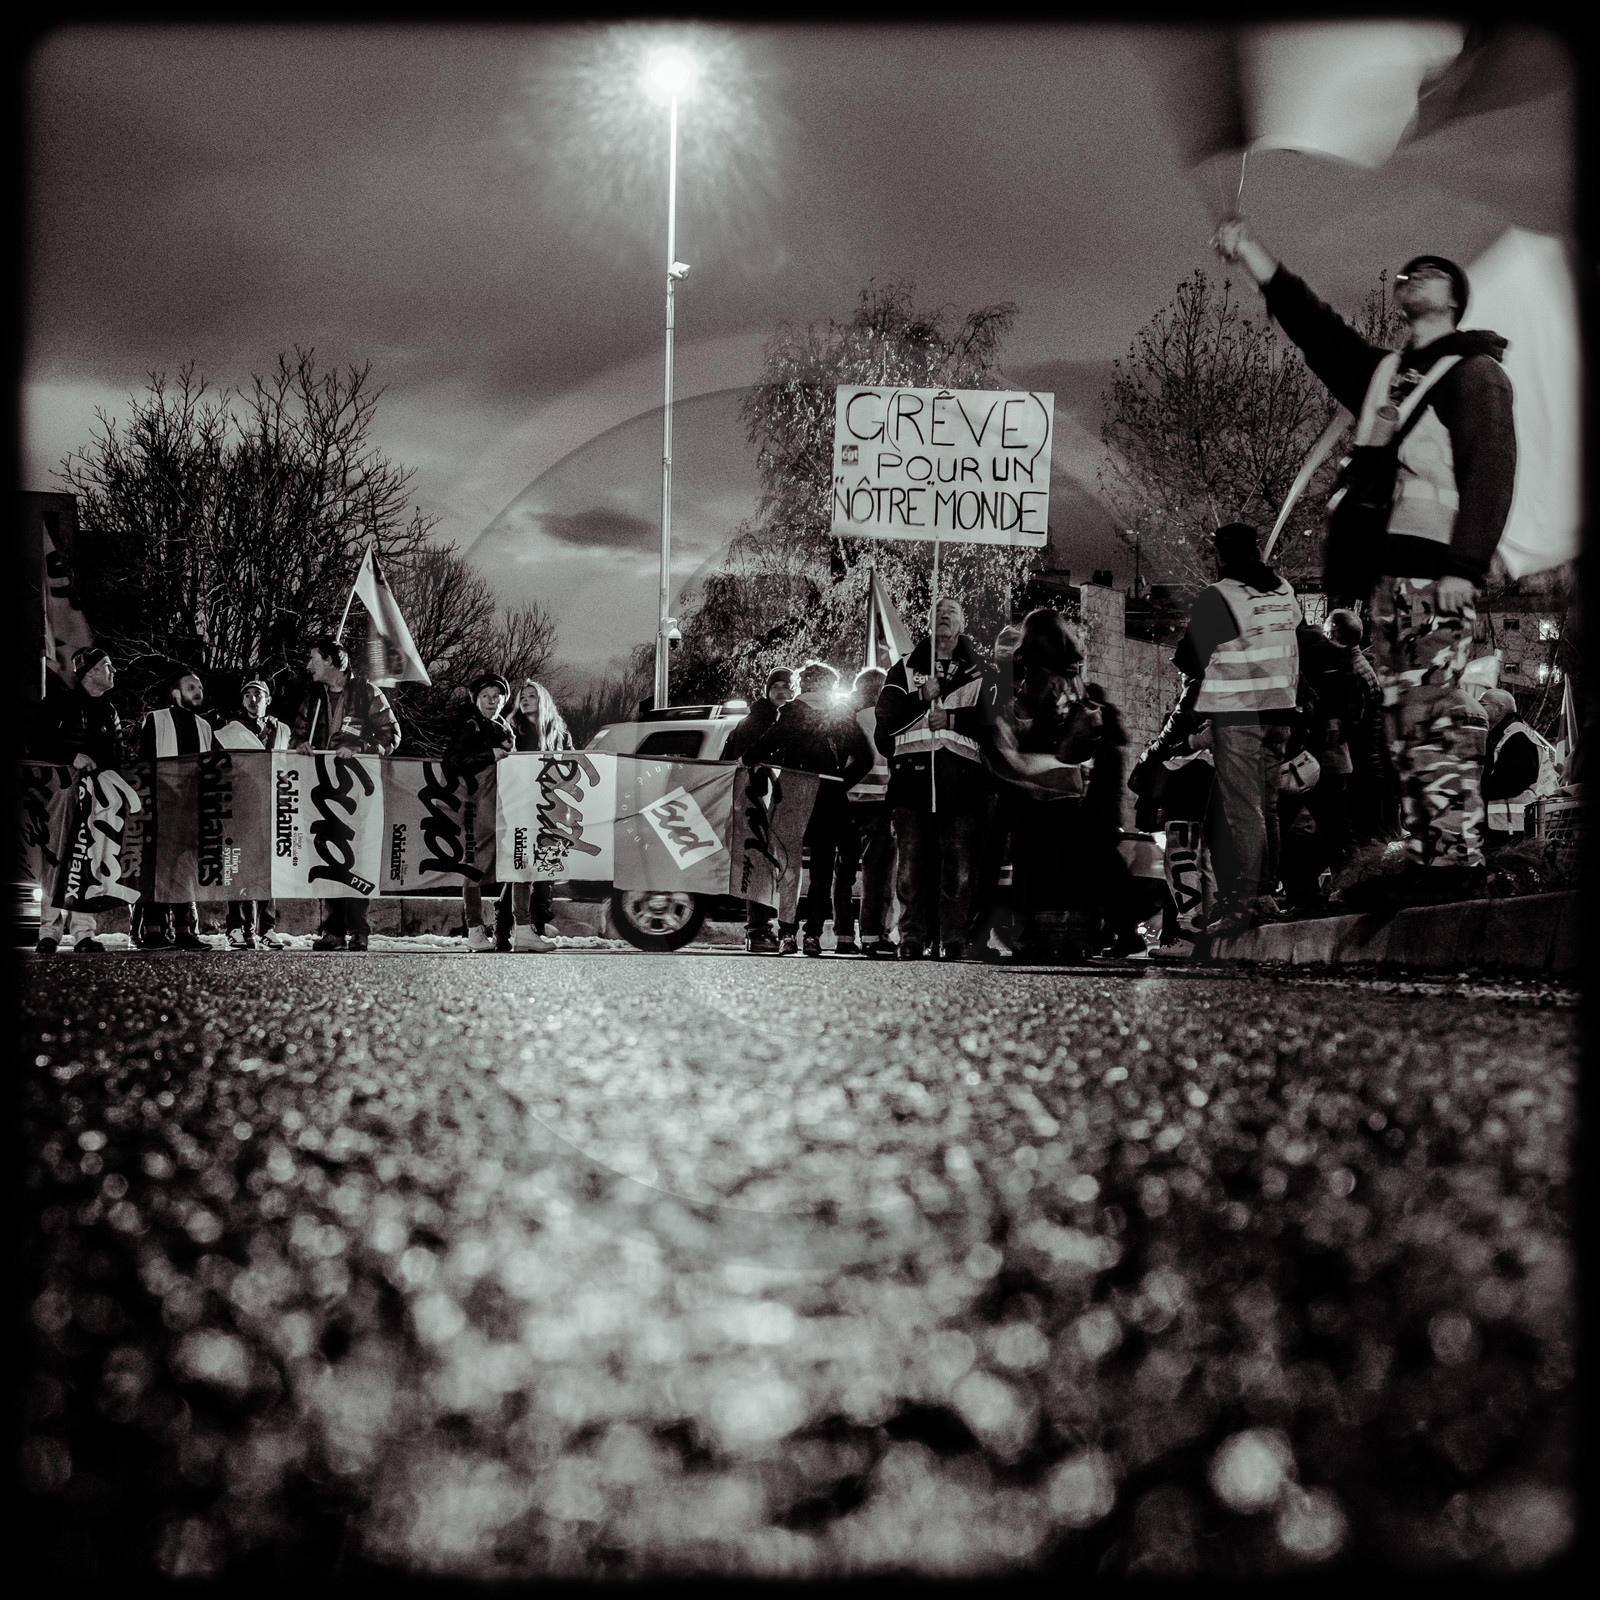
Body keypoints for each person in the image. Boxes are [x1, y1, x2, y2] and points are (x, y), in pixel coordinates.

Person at [1213, 219, 1515, 902]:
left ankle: (1457, 861)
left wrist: (1463, 568)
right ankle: (1434, 856)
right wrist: (1255, 256)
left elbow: (1493, 467)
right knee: (1405, 720)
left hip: (1438, 574)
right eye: (1408, 270)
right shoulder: (1384, 376)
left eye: (1433, 270)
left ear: (1455, 300)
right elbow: (1315, 331)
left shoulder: (1475, 374)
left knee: (1433, 711)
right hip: (1387, 585)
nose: (1415, 273)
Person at [1172, 523, 1301, 937]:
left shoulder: (1220, 596)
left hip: (1239, 714)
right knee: (1268, 807)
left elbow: (1189, 658)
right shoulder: (1283, 591)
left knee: (1243, 811)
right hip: (1280, 711)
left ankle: (1241, 905)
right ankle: (1266, 893)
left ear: (1220, 555)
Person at [874, 597, 997, 961]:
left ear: (963, 623)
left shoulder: (982, 673)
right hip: (912, 787)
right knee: (911, 871)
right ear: (928, 623)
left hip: (961, 788)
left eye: (952, 613)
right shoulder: (905, 669)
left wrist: (954, 721)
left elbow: (995, 729)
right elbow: (885, 730)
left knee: (958, 872)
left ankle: (953, 938)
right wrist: (919, 699)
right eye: (938, 612)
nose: (945, 617)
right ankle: (912, 937)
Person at [743, 659, 874, 955]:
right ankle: (812, 934)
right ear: (831, 688)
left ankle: (787, 933)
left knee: (789, 870)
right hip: (829, 801)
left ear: (801, 686)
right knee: (822, 870)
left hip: (793, 799)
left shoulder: (790, 715)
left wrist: (744, 763)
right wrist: (840, 781)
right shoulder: (840, 717)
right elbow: (865, 758)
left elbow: (762, 748)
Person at [291, 636, 402, 951]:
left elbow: (391, 735)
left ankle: (359, 930)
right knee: (326, 854)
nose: (307, 665)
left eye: (313, 657)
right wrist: (299, 745)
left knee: (355, 858)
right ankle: (333, 931)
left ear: (330, 660)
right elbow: (298, 735)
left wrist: (361, 747)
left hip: (356, 791)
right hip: (320, 789)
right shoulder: (313, 696)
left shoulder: (367, 692)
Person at [31, 644, 122, 954]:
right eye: (108, 665)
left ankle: (84, 932)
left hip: (97, 799)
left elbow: (117, 757)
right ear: (91, 671)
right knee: (57, 856)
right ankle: (50, 932)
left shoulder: (110, 712)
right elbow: (35, 742)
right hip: (60, 794)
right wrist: (72, 755)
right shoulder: (58, 702)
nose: (113, 671)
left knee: (90, 859)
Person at [136, 665, 216, 950]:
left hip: (191, 810)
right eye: (191, 687)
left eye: (200, 688)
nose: (198, 692)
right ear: (176, 693)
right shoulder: (156, 720)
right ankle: (154, 931)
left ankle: (184, 931)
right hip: (160, 807)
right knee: (157, 868)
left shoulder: (205, 727)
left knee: (185, 869)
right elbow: (143, 762)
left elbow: (215, 767)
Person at [1131, 700, 1217, 962]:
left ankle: (1189, 935)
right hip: (1202, 804)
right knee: (1202, 866)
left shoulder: (1184, 754)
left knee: (1183, 863)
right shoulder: (1211, 750)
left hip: (1185, 805)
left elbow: (1144, 775)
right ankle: (1201, 933)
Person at [493, 678, 571, 952]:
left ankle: (528, 929)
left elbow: (570, 764)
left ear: (543, 700)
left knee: (542, 870)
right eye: (522, 696)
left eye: (531, 696)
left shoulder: (558, 731)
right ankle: (505, 930)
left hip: (549, 808)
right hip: (519, 807)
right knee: (521, 868)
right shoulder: (512, 727)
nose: (524, 700)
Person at [723, 667, 796, 955]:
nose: (780, 690)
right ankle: (758, 930)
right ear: (767, 690)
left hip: (783, 803)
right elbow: (744, 762)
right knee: (760, 864)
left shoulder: (792, 720)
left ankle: (768, 930)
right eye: (775, 685)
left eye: (786, 686)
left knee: (775, 867)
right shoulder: (753, 723)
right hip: (756, 803)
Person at [215, 677, 291, 949]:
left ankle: (267, 927)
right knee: (237, 868)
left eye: (257, 694)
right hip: (240, 806)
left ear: (268, 700)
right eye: (247, 694)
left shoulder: (282, 730)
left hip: (271, 806)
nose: (252, 699)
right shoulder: (230, 730)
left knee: (269, 869)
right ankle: (237, 927)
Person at [966, 623, 1023, 959]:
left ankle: (987, 931)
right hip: (996, 785)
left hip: (1004, 784)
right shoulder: (994, 686)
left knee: (992, 866)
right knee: (988, 866)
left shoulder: (999, 684)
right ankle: (981, 931)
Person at [448, 674, 516, 951]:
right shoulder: (470, 724)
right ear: (475, 698)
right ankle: (475, 928)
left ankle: (505, 926)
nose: (492, 701)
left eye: (497, 696)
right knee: (475, 866)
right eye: (485, 695)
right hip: (477, 803)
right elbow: (452, 761)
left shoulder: (503, 726)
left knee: (517, 862)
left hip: (502, 802)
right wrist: (490, 754)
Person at [1080, 683, 1146, 957]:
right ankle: (1114, 934)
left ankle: (1122, 935)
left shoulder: (1100, 748)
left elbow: (1097, 792)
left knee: (1105, 883)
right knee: (1106, 882)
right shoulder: (1108, 745)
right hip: (1104, 824)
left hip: (1096, 824)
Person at [1325, 608, 1399, 846]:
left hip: (1362, 767)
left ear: (1334, 634)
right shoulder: (1360, 666)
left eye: (1326, 631)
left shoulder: (1351, 671)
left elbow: (1353, 722)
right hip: (1370, 765)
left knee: (1364, 840)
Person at [845, 665, 898, 959]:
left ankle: (845, 934)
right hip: (881, 806)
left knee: (843, 874)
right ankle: (874, 934)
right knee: (878, 875)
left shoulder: (848, 719)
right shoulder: (888, 720)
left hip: (851, 804)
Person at [1476, 686, 1559, 848]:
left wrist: (1476, 790)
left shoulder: (1517, 736)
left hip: (1514, 828)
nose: (1478, 708)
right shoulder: (1506, 734)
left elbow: (1514, 780)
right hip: (1509, 825)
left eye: (1482, 704)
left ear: (1500, 709)